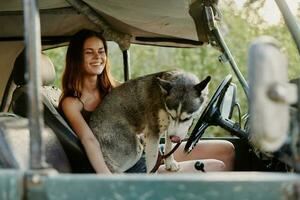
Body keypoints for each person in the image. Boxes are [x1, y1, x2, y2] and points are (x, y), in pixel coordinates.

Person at [59, 29, 235, 174]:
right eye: (89, 52)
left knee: (226, 149)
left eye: (101, 51)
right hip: (127, 164)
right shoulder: (72, 102)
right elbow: (89, 140)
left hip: (143, 151)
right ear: (76, 58)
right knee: (216, 166)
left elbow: (151, 117)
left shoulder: (115, 89)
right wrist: (106, 178)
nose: (97, 57)